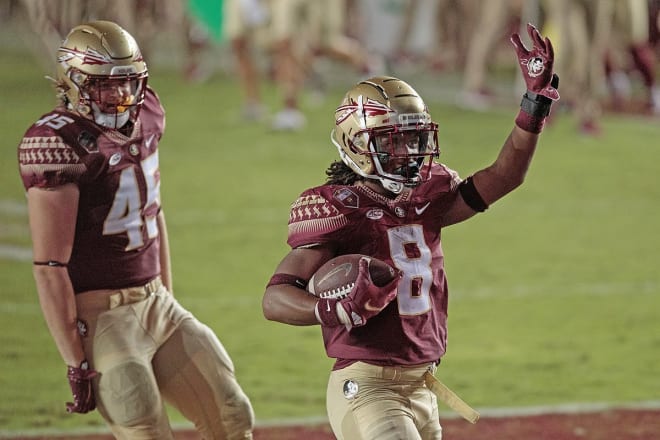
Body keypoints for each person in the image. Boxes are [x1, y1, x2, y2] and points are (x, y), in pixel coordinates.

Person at [262, 23, 559, 439]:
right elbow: (274, 298)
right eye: (393, 141)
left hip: (423, 387)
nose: (410, 151)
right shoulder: (337, 207)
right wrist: (328, 310)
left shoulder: (429, 194)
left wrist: (533, 106)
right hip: (367, 387)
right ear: (357, 144)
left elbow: (504, 177)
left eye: (414, 137)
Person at [17, 21, 254, 439]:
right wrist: (74, 358)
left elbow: (153, 213)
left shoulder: (147, 114)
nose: (121, 97)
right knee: (142, 422)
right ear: (74, 83)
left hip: (156, 302)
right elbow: (50, 265)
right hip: (102, 314)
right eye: (106, 87)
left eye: (129, 84)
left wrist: (167, 296)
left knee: (232, 412)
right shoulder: (58, 143)